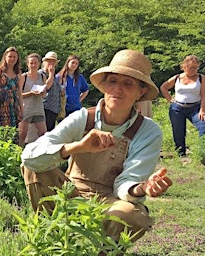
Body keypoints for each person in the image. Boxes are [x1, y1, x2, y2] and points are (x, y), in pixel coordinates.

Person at [21, 49, 173, 243]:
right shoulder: (84, 118)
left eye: (128, 83)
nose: (118, 89)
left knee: (132, 215)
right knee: (33, 166)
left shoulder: (147, 131)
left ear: (140, 92)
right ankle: (53, 239)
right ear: (104, 86)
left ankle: (103, 250)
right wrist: (77, 147)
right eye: (112, 81)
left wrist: (143, 187)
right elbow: (29, 155)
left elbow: (126, 182)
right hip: (70, 192)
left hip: (110, 200)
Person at [160, 55, 205, 157]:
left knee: (203, 126)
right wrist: (169, 99)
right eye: (191, 67)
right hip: (177, 108)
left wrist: (202, 110)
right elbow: (163, 87)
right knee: (178, 131)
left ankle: (202, 152)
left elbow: (204, 95)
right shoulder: (177, 77)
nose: (194, 70)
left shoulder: (201, 78)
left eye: (196, 67)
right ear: (184, 67)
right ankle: (181, 154)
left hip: (195, 108)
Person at [0, 47, 23, 142]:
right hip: (0, 105)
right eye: (10, 56)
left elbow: (19, 92)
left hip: (13, 106)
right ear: (5, 57)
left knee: (12, 130)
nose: (12, 59)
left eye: (14, 57)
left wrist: (21, 108)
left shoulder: (18, 73)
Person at [19, 53, 52, 146]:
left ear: (39, 64)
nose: (33, 65)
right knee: (22, 135)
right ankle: (18, 154)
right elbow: (19, 95)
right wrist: (31, 93)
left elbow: (45, 92)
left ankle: (41, 154)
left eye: (35, 63)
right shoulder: (23, 77)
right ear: (27, 64)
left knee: (43, 134)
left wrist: (42, 93)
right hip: (26, 109)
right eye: (31, 63)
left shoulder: (42, 77)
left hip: (38, 109)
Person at [40, 51, 60, 131]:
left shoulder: (54, 76)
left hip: (54, 109)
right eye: (49, 61)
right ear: (44, 62)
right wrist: (51, 74)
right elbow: (47, 87)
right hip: (45, 107)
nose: (51, 63)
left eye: (53, 61)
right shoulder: (41, 74)